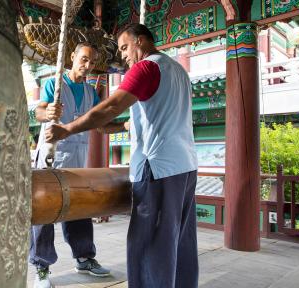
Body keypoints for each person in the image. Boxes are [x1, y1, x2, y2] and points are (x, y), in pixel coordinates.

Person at [45, 24, 199, 288]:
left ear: (140, 41)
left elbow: (112, 106)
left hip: (158, 167)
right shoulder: (177, 70)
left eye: (125, 47)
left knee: (150, 241)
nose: (124, 56)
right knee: (179, 239)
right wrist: (128, 125)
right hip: (185, 167)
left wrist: (67, 129)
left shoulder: (146, 67)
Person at [31, 42, 111, 288]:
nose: (87, 66)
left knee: (80, 207)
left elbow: (100, 125)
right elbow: (39, 113)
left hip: (78, 159)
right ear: (73, 57)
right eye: (84, 59)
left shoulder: (90, 93)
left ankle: (84, 258)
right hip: (51, 157)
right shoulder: (54, 84)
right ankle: (41, 268)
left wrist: (127, 126)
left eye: (91, 62)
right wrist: (49, 113)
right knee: (45, 210)